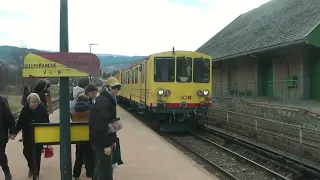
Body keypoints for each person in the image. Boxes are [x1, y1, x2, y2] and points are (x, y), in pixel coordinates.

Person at [89, 77, 122, 180]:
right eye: (114, 87)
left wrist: (113, 139)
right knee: (105, 170)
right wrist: (106, 144)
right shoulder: (104, 102)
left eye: (118, 88)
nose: (116, 90)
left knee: (100, 167)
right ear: (107, 88)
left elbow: (109, 123)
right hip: (101, 141)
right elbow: (101, 125)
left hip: (101, 139)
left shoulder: (106, 99)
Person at [12, 93, 50, 180]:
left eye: (35, 102)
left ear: (38, 102)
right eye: (32, 102)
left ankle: (36, 172)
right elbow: (20, 122)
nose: (33, 104)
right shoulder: (25, 109)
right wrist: (14, 132)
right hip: (27, 135)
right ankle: (31, 167)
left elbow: (46, 122)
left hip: (38, 136)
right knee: (26, 152)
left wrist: (47, 136)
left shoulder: (42, 109)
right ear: (28, 102)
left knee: (37, 154)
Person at [72, 95, 93, 179]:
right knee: (90, 155)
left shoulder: (73, 111)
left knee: (79, 156)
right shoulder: (90, 110)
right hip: (88, 135)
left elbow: (73, 120)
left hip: (78, 136)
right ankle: (90, 173)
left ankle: (76, 174)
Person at [0, 96, 16, 180]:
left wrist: (12, 130)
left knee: (0, 154)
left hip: (1, 132)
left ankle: (6, 172)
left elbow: (8, 116)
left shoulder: (2, 101)